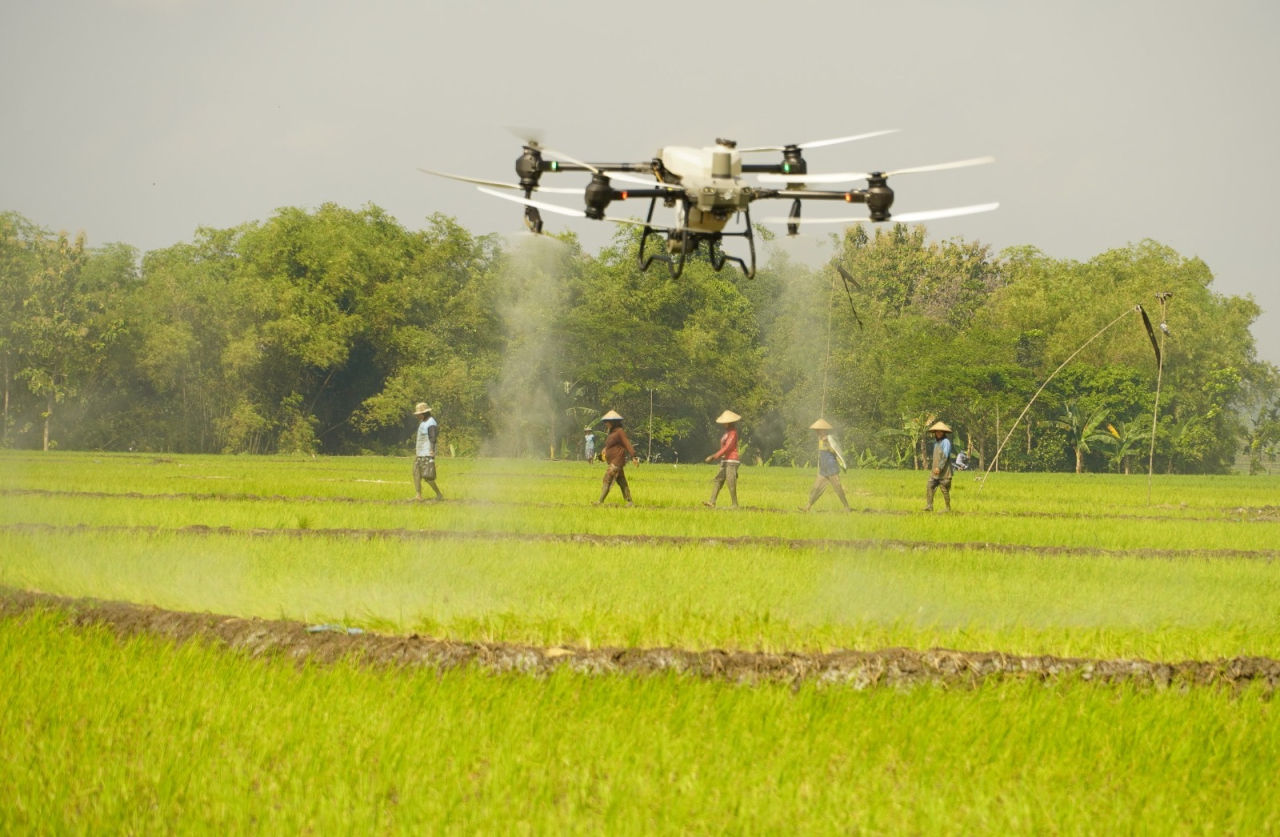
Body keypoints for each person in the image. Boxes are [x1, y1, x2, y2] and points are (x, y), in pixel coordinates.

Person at [801, 419, 851, 512]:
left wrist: (827, 443)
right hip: (824, 468)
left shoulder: (830, 438)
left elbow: (835, 451)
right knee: (816, 488)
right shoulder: (820, 439)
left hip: (831, 466)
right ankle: (808, 506)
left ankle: (846, 507)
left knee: (837, 488)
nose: (816, 432)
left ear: (823, 430)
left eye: (818, 430)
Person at [595, 410, 638, 506]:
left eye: (607, 421)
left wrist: (633, 456)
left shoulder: (619, 432)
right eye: (605, 422)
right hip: (614, 461)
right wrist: (605, 449)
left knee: (607, 478)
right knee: (622, 481)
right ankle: (630, 501)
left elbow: (627, 443)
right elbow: (611, 445)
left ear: (613, 422)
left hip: (616, 461)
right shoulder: (611, 432)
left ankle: (600, 501)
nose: (606, 423)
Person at [704, 410, 742, 509]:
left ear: (731, 422)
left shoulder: (733, 433)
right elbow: (724, 447)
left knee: (730, 481)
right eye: (724, 422)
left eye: (727, 422)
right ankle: (712, 502)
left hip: (732, 460)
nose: (725, 424)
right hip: (725, 460)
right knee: (718, 479)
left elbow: (727, 447)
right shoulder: (727, 433)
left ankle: (734, 504)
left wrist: (714, 456)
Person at [412, 402, 443, 501]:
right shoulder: (423, 422)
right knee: (416, 472)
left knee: (427, 476)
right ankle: (418, 495)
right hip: (420, 453)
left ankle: (438, 494)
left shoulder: (431, 422)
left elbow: (433, 437)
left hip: (427, 453)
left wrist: (432, 451)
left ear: (424, 413)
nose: (417, 416)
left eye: (418, 414)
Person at [924, 421, 954, 512]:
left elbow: (945, 456)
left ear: (944, 433)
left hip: (944, 472)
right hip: (935, 472)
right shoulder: (936, 442)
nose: (939, 433)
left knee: (944, 489)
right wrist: (935, 468)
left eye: (941, 432)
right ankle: (929, 506)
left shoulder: (946, 442)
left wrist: (939, 467)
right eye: (937, 432)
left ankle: (947, 508)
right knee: (930, 486)